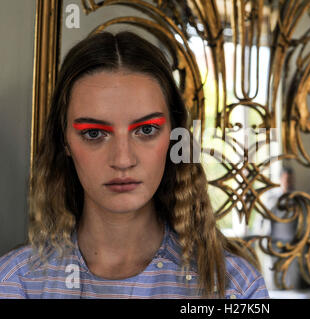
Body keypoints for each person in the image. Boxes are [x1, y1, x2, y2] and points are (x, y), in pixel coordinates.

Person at [0, 31, 269, 299]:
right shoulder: (17, 283)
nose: (123, 160)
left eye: (147, 129)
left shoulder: (234, 286)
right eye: (94, 133)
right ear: (65, 142)